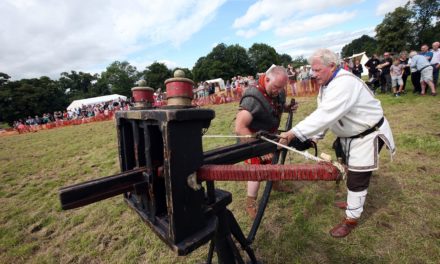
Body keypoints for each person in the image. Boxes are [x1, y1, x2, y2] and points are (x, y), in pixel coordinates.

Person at [279, 49, 395, 238]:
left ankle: (351, 219)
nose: (313, 74)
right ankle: (352, 202)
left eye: (317, 70)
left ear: (332, 66)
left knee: (357, 179)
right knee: (348, 170)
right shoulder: (327, 84)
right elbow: (327, 113)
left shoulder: (344, 83)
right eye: (312, 70)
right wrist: (313, 137)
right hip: (348, 136)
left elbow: (325, 114)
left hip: (366, 136)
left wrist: (293, 134)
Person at [235, 65, 295, 219]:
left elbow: (275, 108)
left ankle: (275, 184)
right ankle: (250, 202)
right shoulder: (252, 97)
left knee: (274, 163)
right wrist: (258, 150)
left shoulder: (278, 90)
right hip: (252, 139)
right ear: (267, 79)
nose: (279, 91)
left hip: (270, 136)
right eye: (276, 87)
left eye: (281, 87)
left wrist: (288, 108)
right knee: (256, 173)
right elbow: (240, 127)